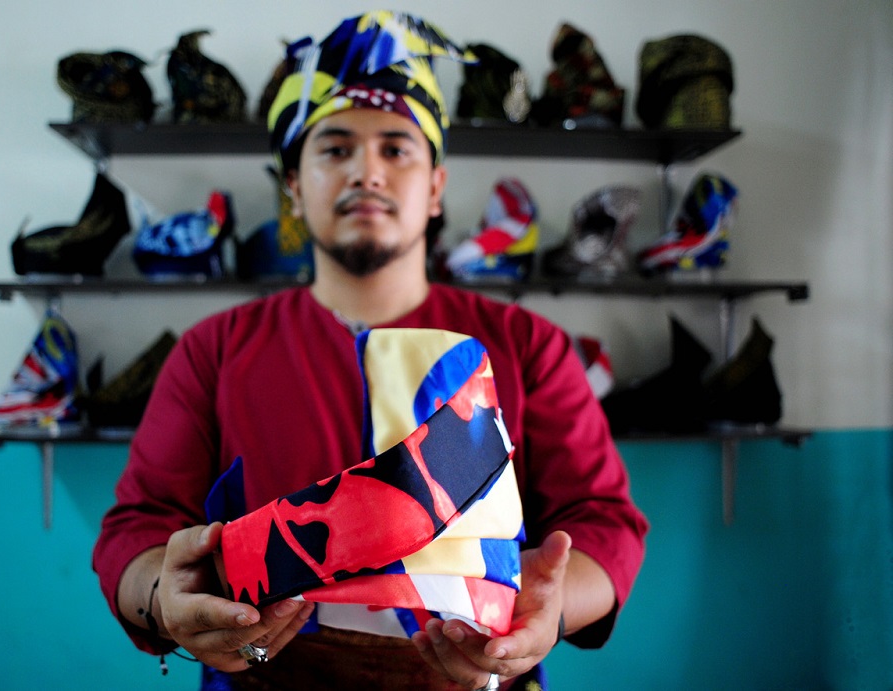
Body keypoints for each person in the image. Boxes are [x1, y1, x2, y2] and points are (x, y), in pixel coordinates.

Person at [93, 11, 648, 691]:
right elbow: (138, 525)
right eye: (333, 149)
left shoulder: (528, 346)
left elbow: (603, 520)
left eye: (396, 147)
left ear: (437, 186)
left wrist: (548, 610)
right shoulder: (214, 351)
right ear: (293, 185)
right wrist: (162, 596)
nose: (367, 171)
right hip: (263, 678)